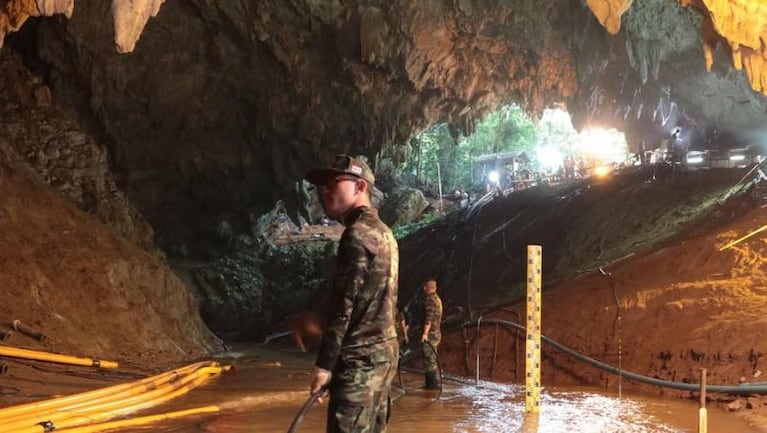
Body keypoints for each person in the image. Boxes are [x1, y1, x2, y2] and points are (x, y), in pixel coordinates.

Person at [306, 154, 399, 433]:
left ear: (360, 187)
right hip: (383, 357)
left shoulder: (357, 234)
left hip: (359, 362)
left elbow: (344, 306)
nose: (326, 189)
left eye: (334, 181)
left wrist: (325, 365)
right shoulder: (385, 233)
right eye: (324, 184)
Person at [420, 278, 443, 390]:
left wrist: (425, 333)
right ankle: (431, 384)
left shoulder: (429, 300)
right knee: (431, 358)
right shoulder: (437, 299)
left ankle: (433, 385)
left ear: (426, 288)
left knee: (429, 359)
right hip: (436, 332)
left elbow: (428, 319)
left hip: (431, 334)